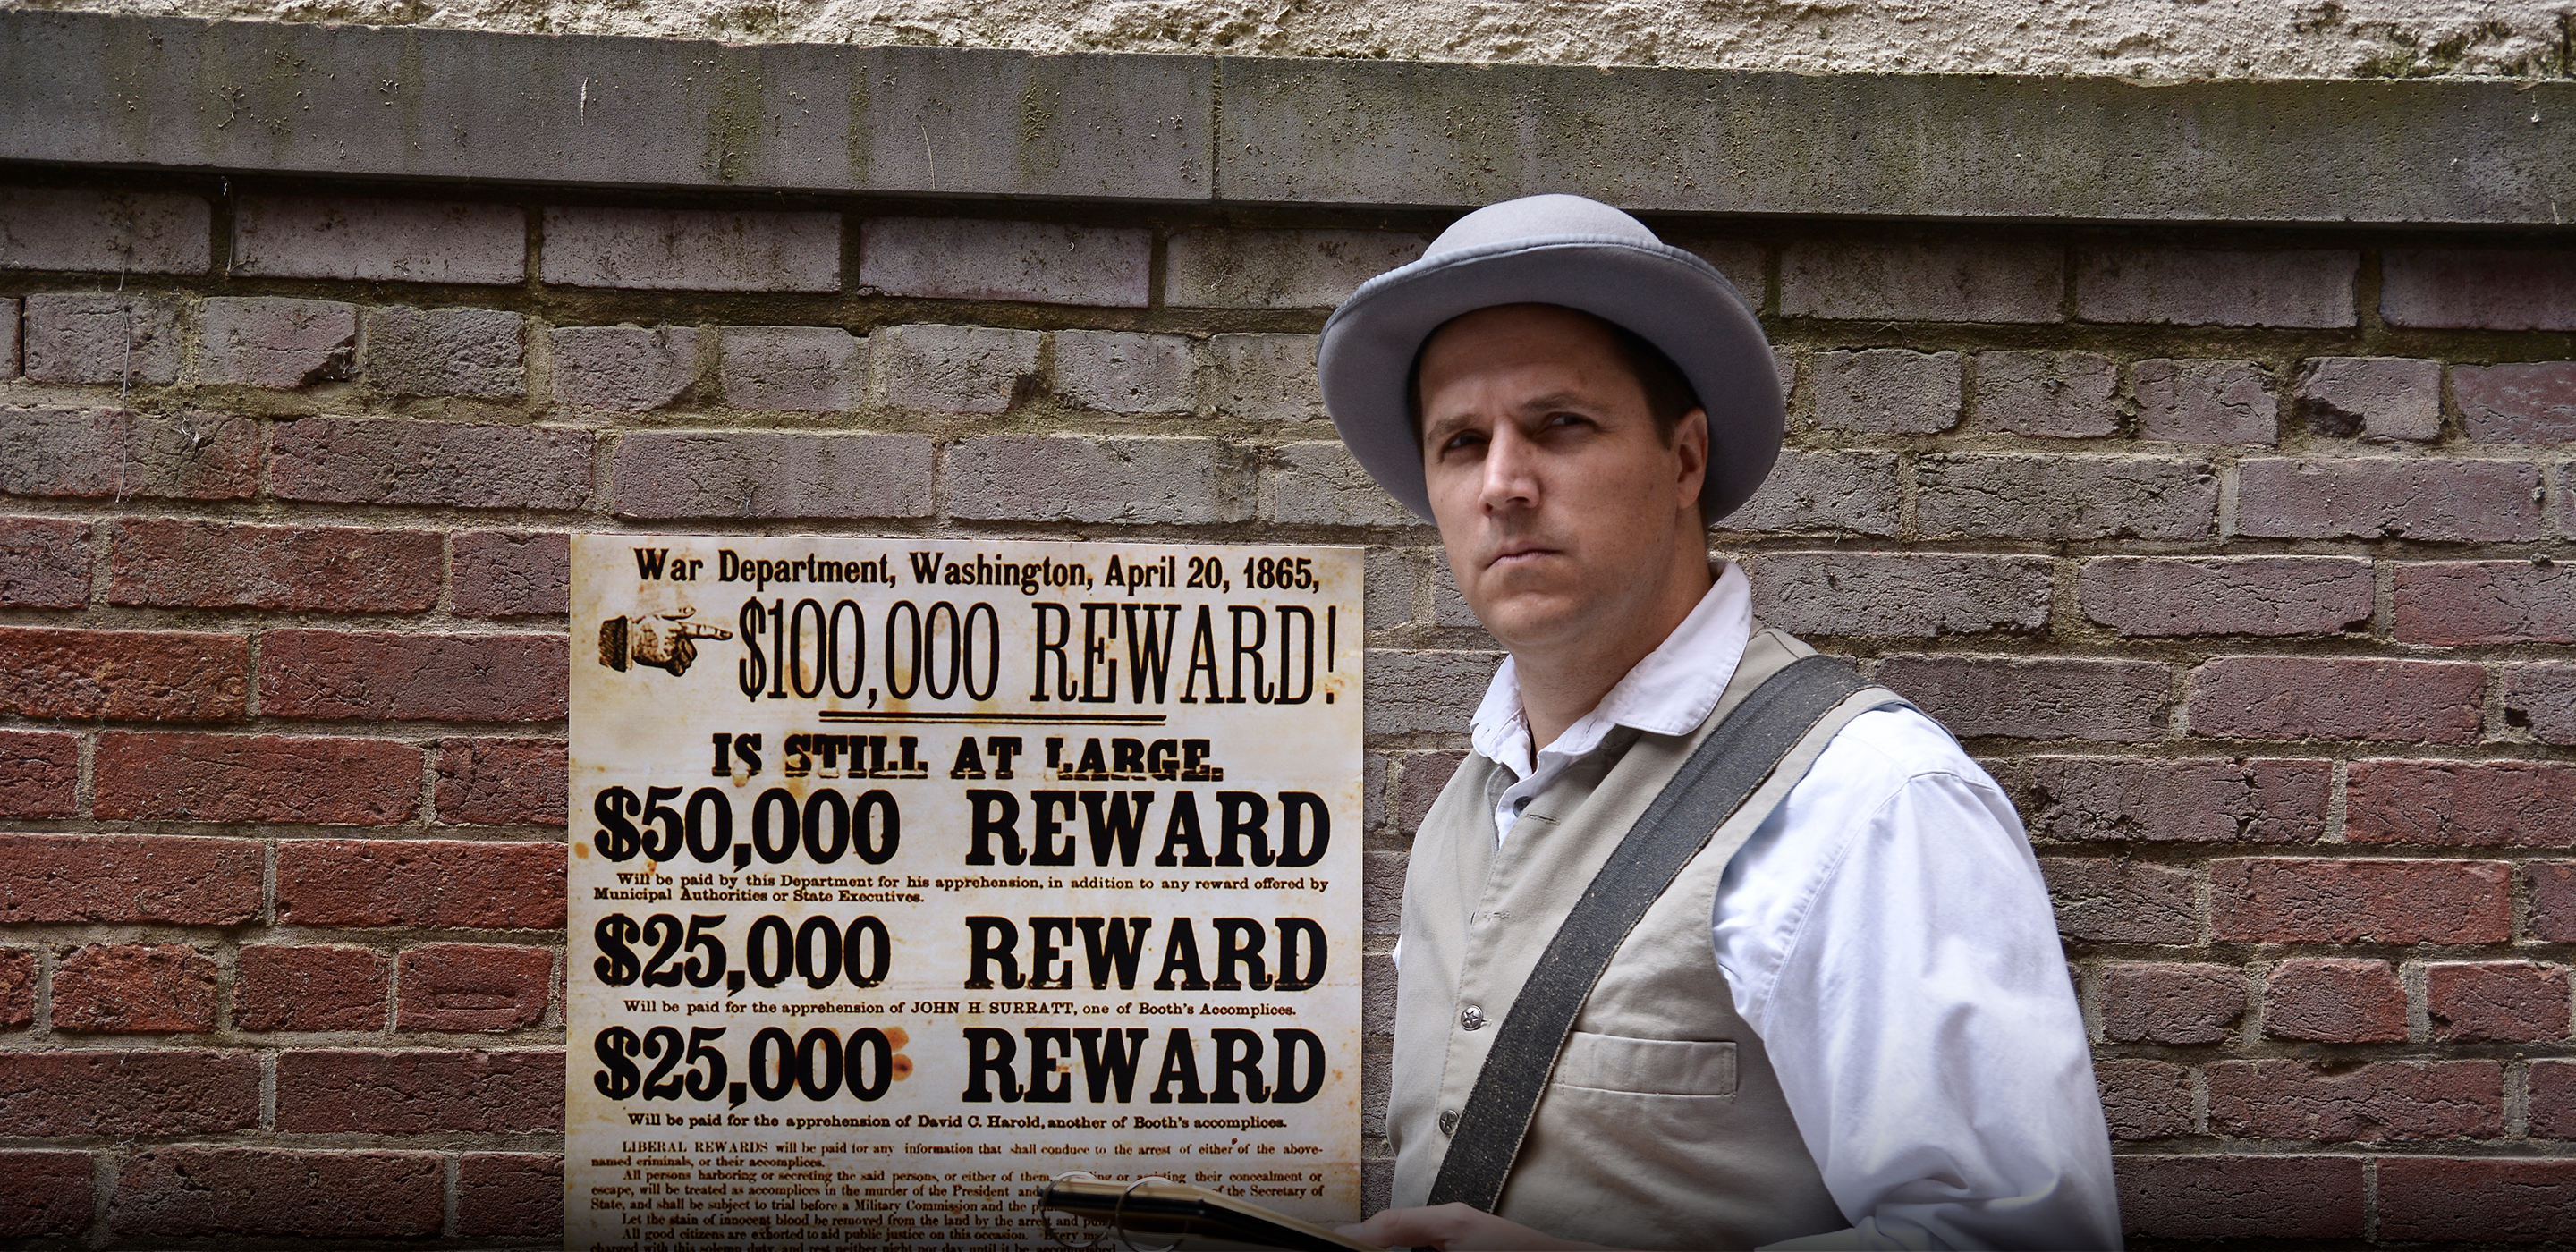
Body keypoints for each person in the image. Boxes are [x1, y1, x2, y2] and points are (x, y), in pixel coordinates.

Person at [1313, 195, 2119, 1251]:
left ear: (1685, 459)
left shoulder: (1868, 795)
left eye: (1560, 423)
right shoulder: (1462, 822)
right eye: (1461, 442)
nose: (1503, 483)